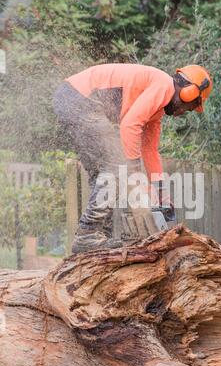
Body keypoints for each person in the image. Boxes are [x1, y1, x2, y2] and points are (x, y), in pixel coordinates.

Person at [53, 63, 212, 253]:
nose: (184, 112)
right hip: (80, 99)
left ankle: (98, 235)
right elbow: (129, 125)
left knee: (103, 173)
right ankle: (88, 234)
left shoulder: (158, 107)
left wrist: (161, 191)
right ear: (189, 93)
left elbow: (150, 150)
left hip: (72, 98)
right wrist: (136, 176)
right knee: (116, 166)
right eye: (191, 107)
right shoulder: (163, 86)